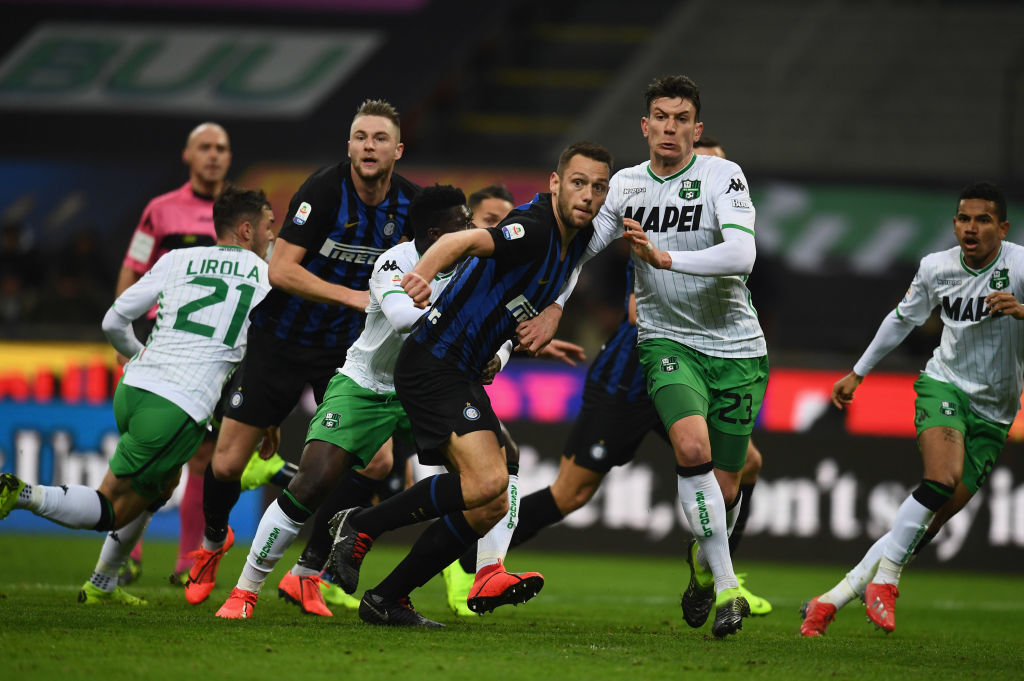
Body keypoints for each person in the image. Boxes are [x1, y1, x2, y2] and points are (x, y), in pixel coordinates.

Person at [443, 134, 773, 618]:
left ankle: (714, 573)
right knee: (570, 493)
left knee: (744, 467)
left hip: (699, 369)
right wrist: (555, 305)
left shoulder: (720, 226)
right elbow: (634, 301)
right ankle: (475, 558)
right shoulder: (653, 217)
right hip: (631, 376)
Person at [324, 141, 613, 627]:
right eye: (578, 183)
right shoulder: (535, 228)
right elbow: (462, 241)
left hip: (460, 370)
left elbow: (571, 270)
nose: (587, 195)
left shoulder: (577, 236)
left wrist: (554, 313)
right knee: (489, 482)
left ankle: (387, 598)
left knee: (490, 505)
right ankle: (361, 524)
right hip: (434, 363)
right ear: (555, 184)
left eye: (598, 187)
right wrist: (421, 274)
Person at [183, 99, 419, 608]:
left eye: (379, 138)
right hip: (281, 341)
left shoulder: (411, 205)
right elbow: (281, 270)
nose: (369, 146)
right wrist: (357, 297)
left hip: (345, 349)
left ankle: (307, 568)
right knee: (225, 466)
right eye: (360, 137)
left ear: (398, 149)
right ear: (349, 146)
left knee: (378, 464)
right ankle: (212, 542)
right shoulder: (323, 190)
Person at [0, 186, 275, 605]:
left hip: (133, 388)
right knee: (112, 507)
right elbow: (267, 355)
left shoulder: (177, 259)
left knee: (161, 487)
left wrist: (140, 354)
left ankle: (103, 583)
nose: (273, 236)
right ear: (246, 229)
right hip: (179, 405)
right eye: (269, 226)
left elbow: (114, 320)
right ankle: (22, 493)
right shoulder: (266, 276)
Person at [214, 185, 471, 619]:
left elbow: (503, 318)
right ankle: (245, 590)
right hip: (367, 385)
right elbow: (406, 320)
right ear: (434, 233)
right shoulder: (393, 262)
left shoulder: (472, 266)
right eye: (461, 224)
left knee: (491, 475)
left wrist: (495, 355)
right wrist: (468, 330)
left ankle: (423, 582)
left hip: (428, 387)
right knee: (312, 483)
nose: (471, 230)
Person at [575, 76, 766, 638]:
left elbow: (743, 253)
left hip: (736, 348)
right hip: (665, 340)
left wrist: (664, 261)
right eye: (661, 116)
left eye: (682, 118)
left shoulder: (721, 176)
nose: (670, 127)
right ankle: (730, 587)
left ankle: (705, 569)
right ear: (645, 125)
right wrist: (550, 305)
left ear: (696, 129)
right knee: (689, 445)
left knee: (726, 490)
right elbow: (581, 248)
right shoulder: (627, 185)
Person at [800, 181, 1023, 636]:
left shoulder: (1020, 265)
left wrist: (1023, 311)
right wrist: (858, 372)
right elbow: (902, 319)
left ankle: (828, 601)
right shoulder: (936, 268)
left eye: (983, 220)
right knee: (941, 479)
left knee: (927, 522)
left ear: (1002, 227)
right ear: (955, 224)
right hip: (945, 385)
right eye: (964, 219)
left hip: (997, 413)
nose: (971, 228)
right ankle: (886, 582)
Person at [114, 123, 291, 586]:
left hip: (224, 346)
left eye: (222, 148)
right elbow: (132, 270)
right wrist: (126, 344)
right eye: (205, 148)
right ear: (188, 156)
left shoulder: (243, 212)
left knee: (201, 455)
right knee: (151, 454)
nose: (214, 156)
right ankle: (126, 553)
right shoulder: (160, 211)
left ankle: (185, 562)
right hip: (167, 339)